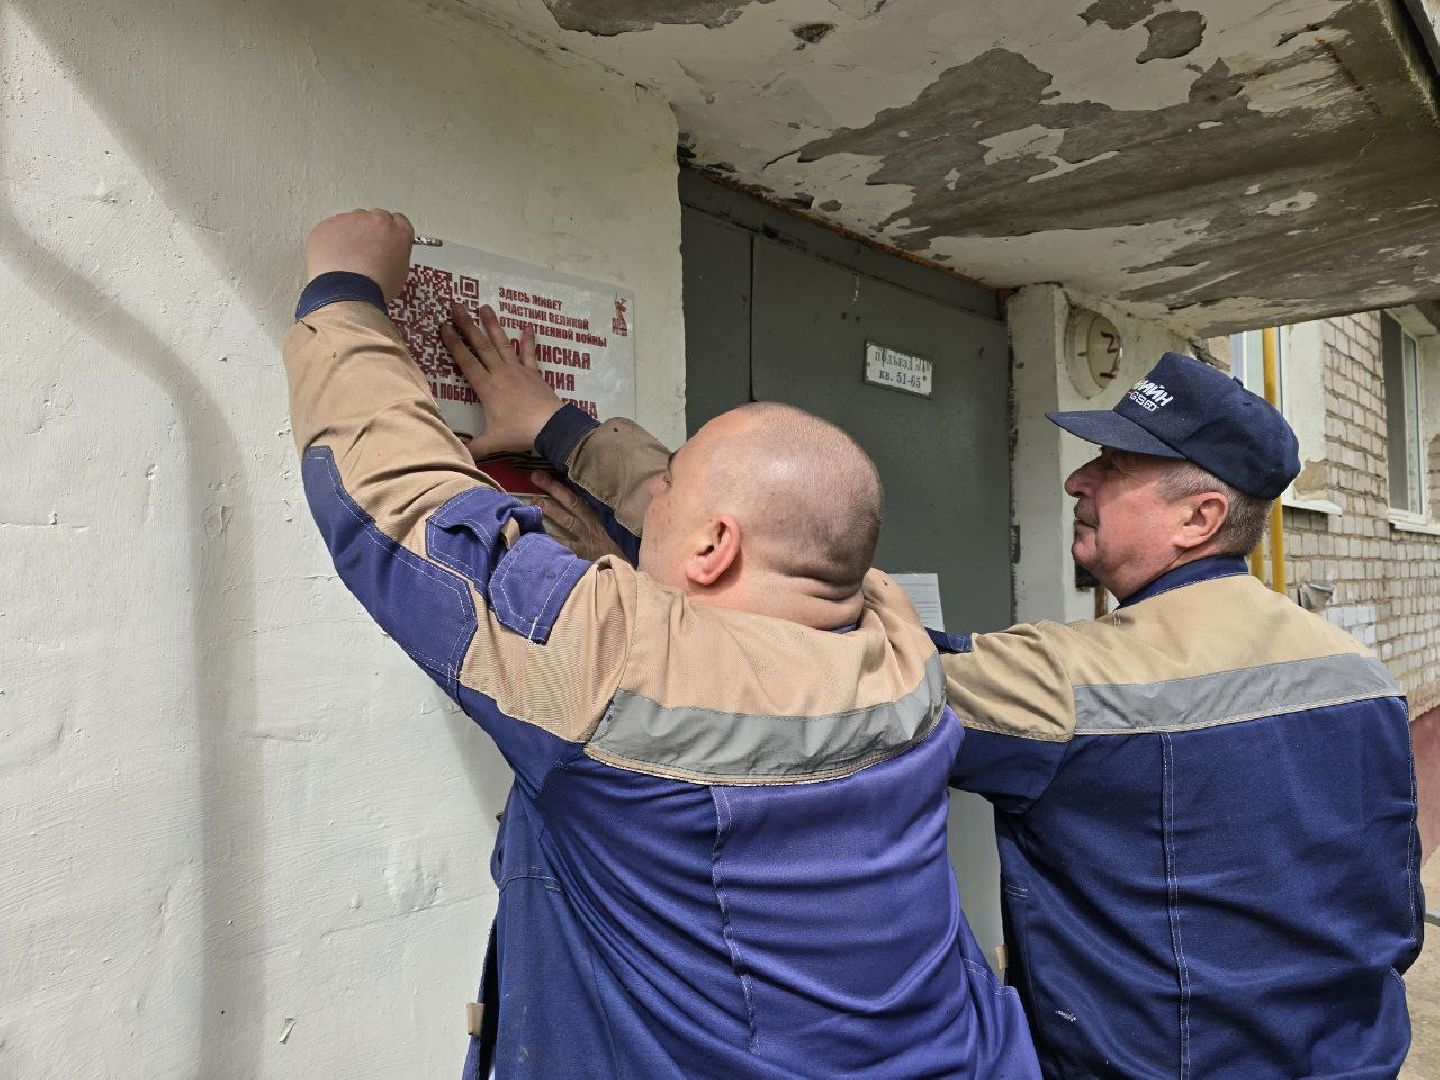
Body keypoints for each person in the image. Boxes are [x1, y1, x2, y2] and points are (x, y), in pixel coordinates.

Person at [486, 343, 1423, 1078]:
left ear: (1200, 518)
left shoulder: (1076, 685)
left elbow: (813, 624)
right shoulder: (1357, 670)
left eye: (1114, 465)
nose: (1076, 481)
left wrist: (575, 443)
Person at [284, 209, 1039, 1079]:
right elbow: (783, 531)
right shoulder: (896, 642)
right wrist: (561, 431)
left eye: (670, 488)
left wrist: (343, 294)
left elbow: (408, 506)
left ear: (713, 549)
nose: (655, 499)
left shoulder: (619, 659)